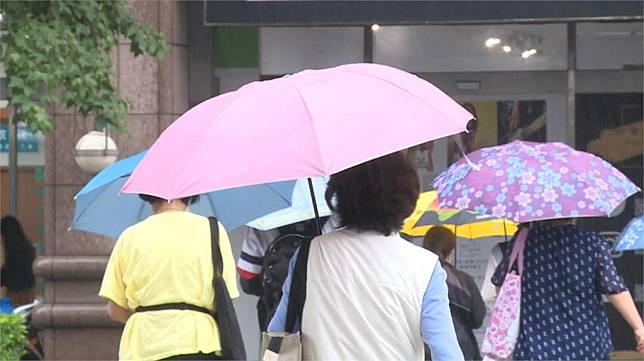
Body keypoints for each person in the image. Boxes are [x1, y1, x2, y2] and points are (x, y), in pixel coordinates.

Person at [268, 152, 464, 361]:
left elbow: (279, 333)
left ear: (341, 194)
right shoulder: (425, 267)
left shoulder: (308, 255)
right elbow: (448, 354)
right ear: (406, 196)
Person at [99, 195, 239, 360]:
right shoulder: (213, 231)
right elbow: (227, 295)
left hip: (143, 345)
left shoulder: (129, 237)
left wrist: (146, 318)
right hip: (198, 342)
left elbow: (114, 309)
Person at [492, 219, 644, 360]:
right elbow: (614, 288)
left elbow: (501, 285)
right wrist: (639, 328)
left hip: (535, 346)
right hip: (587, 345)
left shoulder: (523, 242)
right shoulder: (591, 242)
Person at [423, 226, 486, 361]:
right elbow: (477, 319)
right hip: (463, 350)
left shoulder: (417, 277)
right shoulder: (463, 279)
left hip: (424, 351)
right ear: (450, 250)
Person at [1, 215, 36, 307]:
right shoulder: (27, 246)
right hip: (29, 289)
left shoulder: (12, 251)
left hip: (15, 292)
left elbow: (9, 273)